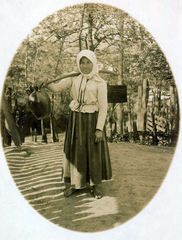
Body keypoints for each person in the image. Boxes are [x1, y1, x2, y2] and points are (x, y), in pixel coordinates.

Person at [46, 49, 112, 199]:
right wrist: (45, 83)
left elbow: (103, 108)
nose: (85, 66)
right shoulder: (74, 78)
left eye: (88, 62)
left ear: (93, 63)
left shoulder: (100, 83)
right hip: (76, 118)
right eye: (82, 62)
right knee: (76, 150)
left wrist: (99, 129)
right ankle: (76, 185)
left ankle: (95, 185)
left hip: (92, 120)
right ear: (78, 63)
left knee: (93, 152)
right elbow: (56, 88)